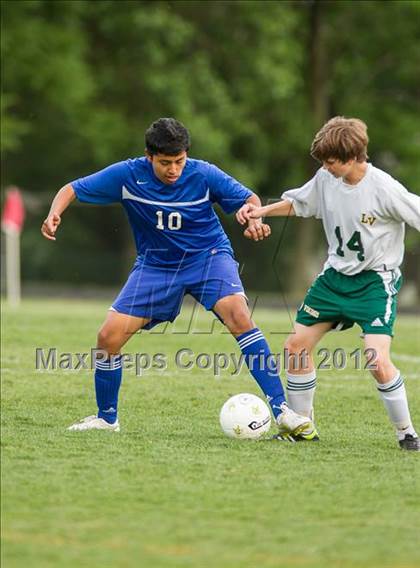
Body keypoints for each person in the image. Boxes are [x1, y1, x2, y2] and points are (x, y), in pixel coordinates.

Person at [41, 117, 314, 438]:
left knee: (239, 315)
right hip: (156, 267)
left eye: (179, 161)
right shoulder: (127, 175)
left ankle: (282, 410)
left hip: (208, 258)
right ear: (149, 156)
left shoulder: (204, 173)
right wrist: (54, 212)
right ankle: (106, 418)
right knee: (108, 338)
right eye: (165, 163)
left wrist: (250, 216)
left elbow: (248, 199)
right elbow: (71, 188)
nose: (174, 170)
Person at [237, 116, 420, 451]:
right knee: (295, 346)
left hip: (374, 283)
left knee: (376, 360)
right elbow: (300, 203)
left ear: (353, 158)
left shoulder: (383, 188)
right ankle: (303, 427)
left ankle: (406, 433)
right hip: (334, 279)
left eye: (331, 161)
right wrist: (262, 212)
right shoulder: (326, 177)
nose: (325, 167)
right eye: (323, 161)